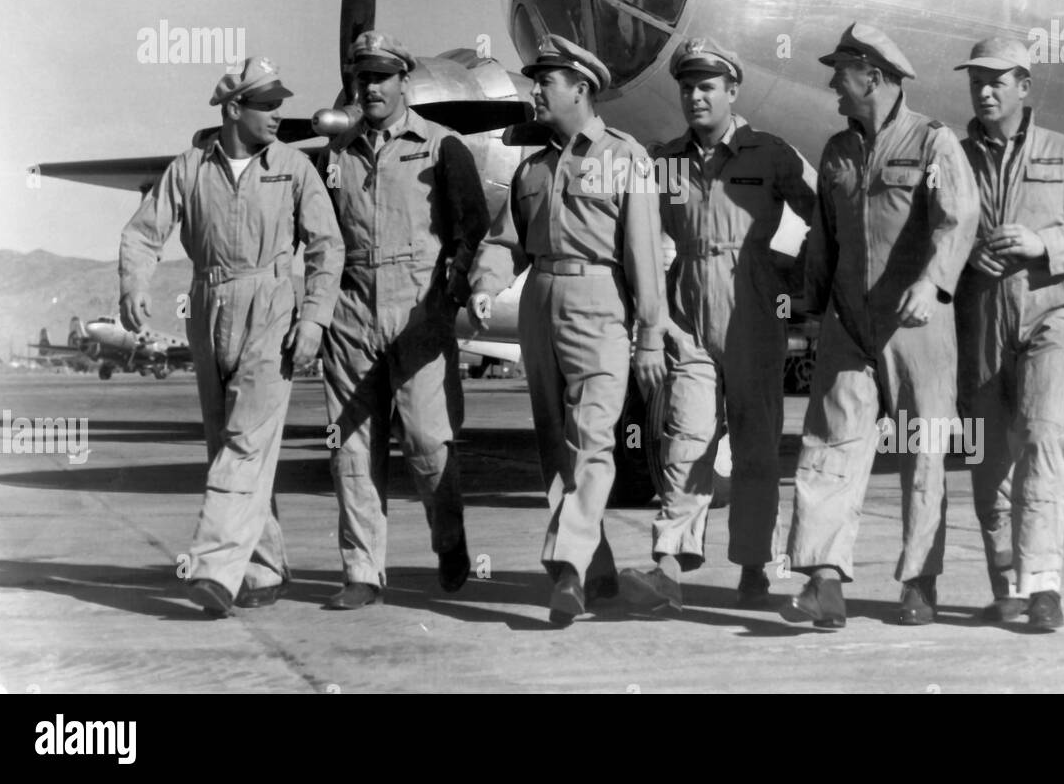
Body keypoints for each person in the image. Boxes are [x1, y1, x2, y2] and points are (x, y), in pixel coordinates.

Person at [120, 57, 344, 616]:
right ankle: (264, 570)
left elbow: (325, 247)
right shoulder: (190, 167)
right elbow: (144, 231)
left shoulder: (294, 168)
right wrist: (133, 283)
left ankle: (215, 567)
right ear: (234, 108)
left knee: (245, 443)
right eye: (266, 105)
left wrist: (314, 317)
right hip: (206, 305)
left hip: (270, 306)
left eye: (279, 104)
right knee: (228, 444)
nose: (277, 114)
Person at [781, 23, 978, 629]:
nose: (832, 84)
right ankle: (824, 581)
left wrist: (933, 281)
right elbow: (827, 238)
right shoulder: (837, 150)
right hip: (848, 324)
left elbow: (957, 218)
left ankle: (919, 582)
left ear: (873, 75)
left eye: (840, 72)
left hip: (916, 325)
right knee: (829, 447)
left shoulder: (934, 143)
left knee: (923, 453)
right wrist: (808, 306)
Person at [467, 34, 667, 625]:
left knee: (594, 442)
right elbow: (507, 243)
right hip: (539, 305)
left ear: (580, 89)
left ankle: (569, 570)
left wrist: (650, 332)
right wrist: (484, 285)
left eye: (544, 81)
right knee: (557, 446)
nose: (534, 90)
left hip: (600, 304)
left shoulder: (627, 157)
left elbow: (644, 258)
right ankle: (597, 567)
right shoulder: (534, 168)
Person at [619, 37, 814, 612]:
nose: (694, 97)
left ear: (732, 91)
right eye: (687, 87)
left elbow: (819, 217)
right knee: (687, 442)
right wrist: (657, 323)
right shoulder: (667, 161)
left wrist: (789, 273)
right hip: (690, 326)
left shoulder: (771, 153)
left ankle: (753, 568)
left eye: (706, 87)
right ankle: (668, 569)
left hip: (754, 321)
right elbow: (644, 238)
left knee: (755, 451)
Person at [954, 36, 1064, 631]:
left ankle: (1045, 584)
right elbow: (931, 231)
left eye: (998, 80)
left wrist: (1042, 244)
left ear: (1025, 86)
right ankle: (1008, 587)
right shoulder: (952, 155)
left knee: (1044, 437)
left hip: (1051, 307)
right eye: (977, 80)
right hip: (980, 312)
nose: (986, 90)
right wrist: (968, 254)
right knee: (988, 454)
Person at [318, 31, 489, 610]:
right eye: (361, 76)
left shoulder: (443, 147)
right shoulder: (333, 158)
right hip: (350, 309)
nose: (369, 86)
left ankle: (450, 540)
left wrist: (452, 291)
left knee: (425, 439)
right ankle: (363, 572)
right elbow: (313, 233)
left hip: (418, 309)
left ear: (403, 82)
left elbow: (472, 226)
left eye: (381, 76)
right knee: (351, 447)